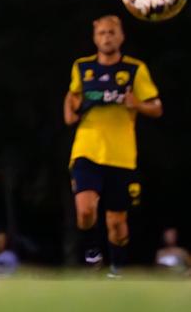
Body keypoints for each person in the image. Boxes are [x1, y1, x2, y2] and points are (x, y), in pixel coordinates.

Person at [64, 15, 162, 277]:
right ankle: (92, 253)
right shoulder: (82, 67)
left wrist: (138, 105)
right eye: (102, 33)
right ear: (95, 38)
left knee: (117, 225)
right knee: (85, 211)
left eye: (111, 33)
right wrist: (70, 111)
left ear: (121, 37)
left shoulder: (134, 70)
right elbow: (73, 96)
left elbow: (157, 107)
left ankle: (117, 270)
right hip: (87, 150)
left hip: (121, 156)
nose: (106, 37)